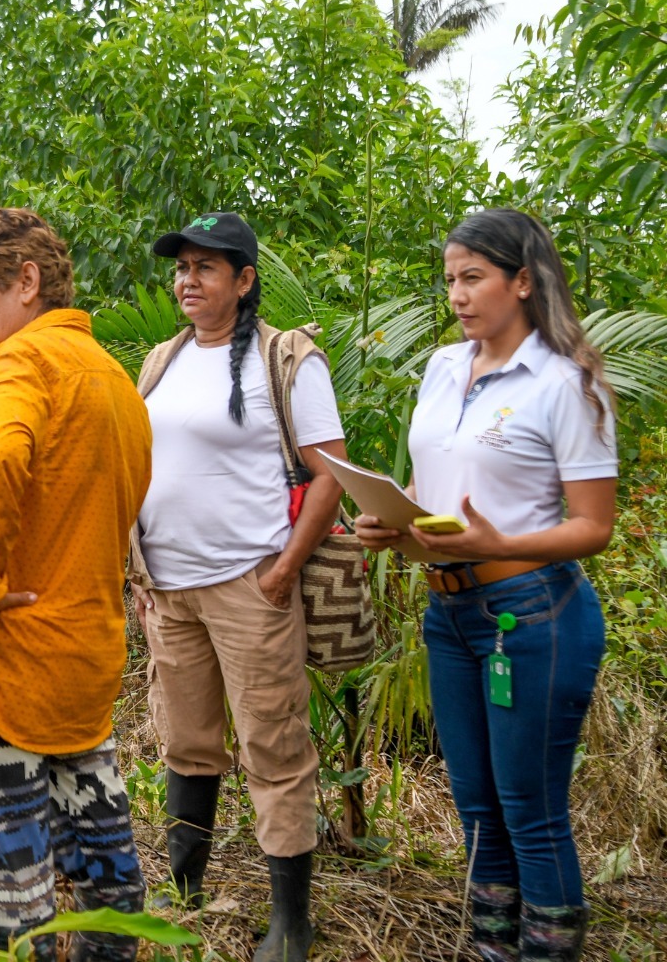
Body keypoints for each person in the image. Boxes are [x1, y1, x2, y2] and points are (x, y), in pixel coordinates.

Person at [355, 209, 614, 962]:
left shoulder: (565, 384)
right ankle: (491, 948)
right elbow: (438, 481)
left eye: (473, 278)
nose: (458, 295)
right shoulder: (442, 367)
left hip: (534, 614)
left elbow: (592, 525)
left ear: (524, 281)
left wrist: (501, 542)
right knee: (477, 806)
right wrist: (392, 520)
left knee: (529, 810)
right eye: (450, 280)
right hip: (451, 613)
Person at [0, 207, 152, 961]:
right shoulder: (115, 377)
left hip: (7, 671)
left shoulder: (23, 362)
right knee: (105, 875)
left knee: (12, 897)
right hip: (84, 666)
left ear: (25, 282)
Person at [127, 212, 349, 962]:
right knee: (187, 741)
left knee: (274, 746)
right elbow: (139, 466)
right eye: (181, 268)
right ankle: (184, 885)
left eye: (206, 268)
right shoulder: (162, 359)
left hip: (250, 585)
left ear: (244, 280)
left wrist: (283, 569)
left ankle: (291, 918)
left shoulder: (284, 359)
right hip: (171, 587)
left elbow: (330, 476)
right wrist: (139, 571)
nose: (187, 281)